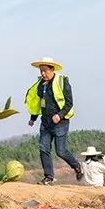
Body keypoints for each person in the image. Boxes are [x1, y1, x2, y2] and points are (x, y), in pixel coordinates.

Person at [25, 56, 83, 185]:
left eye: (45, 71)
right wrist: (33, 118)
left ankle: (77, 166)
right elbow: (39, 103)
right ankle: (48, 177)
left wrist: (60, 115)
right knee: (43, 149)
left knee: (60, 151)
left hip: (60, 123)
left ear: (52, 69)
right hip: (45, 122)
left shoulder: (62, 82)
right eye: (41, 71)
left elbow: (69, 103)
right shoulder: (40, 85)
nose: (43, 74)